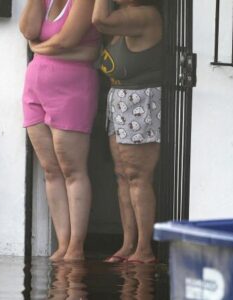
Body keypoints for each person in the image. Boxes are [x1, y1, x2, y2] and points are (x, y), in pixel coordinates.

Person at [19, 0, 101, 262]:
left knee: (72, 169)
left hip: (72, 89)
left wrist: (39, 49)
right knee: (50, 170)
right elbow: (28, 30)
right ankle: (63, 243)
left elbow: (67, 39)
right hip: (35, 87)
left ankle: (76, 246)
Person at [92, 0, 163, 264]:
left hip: (140, 101)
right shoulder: (122, 18)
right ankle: (128, 244)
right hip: (119, 101)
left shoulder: (145, 15)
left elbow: (98, 20)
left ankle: (144, 249)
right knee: (122, 175)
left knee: (137, 175)